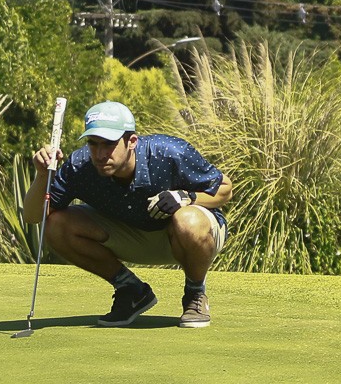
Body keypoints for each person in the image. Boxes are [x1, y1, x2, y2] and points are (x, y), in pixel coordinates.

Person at [25, 101, 233, 328]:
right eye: (93, 143)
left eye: (109, 144)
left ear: (132, 141)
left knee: (188, 221)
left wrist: (186, 197)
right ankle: (131, 291)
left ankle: (195, 293)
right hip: (132, 236)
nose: (100, 154)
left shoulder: (170, 152)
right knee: (56, 225)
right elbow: (33, 217)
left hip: (188, 236)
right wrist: (42, 175)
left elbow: (225, 188)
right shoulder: (80, 166)